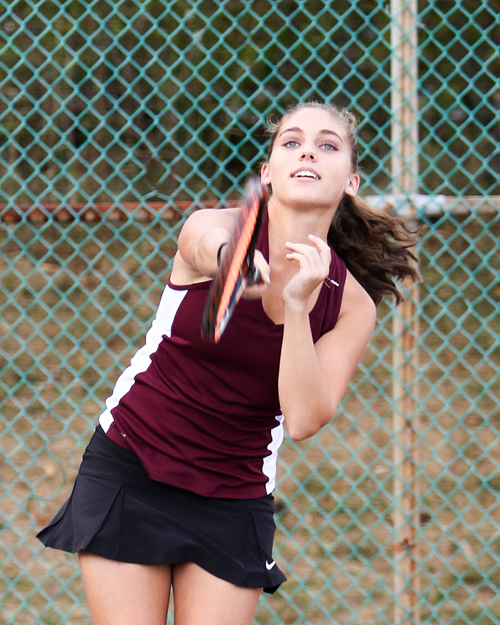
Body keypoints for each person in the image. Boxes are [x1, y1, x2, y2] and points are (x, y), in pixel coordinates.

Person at [37, 101, 419, 625]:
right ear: (267, 173)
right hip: (132, 463)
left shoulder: (350, 302)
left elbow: (306, 417)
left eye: (328, 145)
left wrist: (298, 307)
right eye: (291, 141)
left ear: (350, 181)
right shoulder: (214, 226)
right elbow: (205, 247)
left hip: (233, 493)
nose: (308, 149)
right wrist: (235, 265)